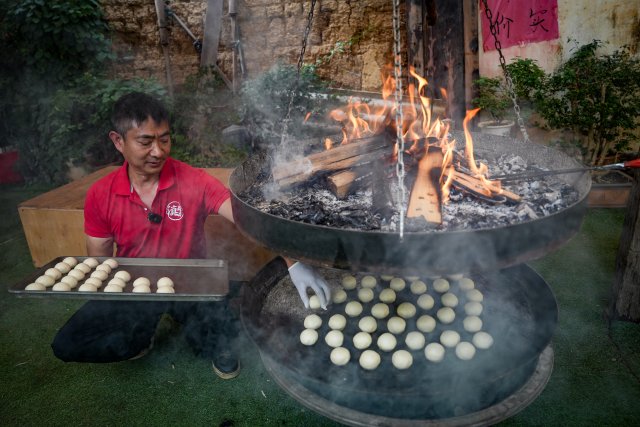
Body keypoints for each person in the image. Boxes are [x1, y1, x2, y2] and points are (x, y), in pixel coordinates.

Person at [51, 92, 330, 378]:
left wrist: (293, 262)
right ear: (118, 141)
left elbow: (249, 219)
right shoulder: (101, 195)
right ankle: (139, 338)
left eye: (164, 139)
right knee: (67, 345)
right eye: (146, 141)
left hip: (191, 285)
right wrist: (120, 308)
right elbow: (100, 262)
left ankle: (202, 327)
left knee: (219, 343)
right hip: (137, 287)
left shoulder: (194, 181)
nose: (158, 151)